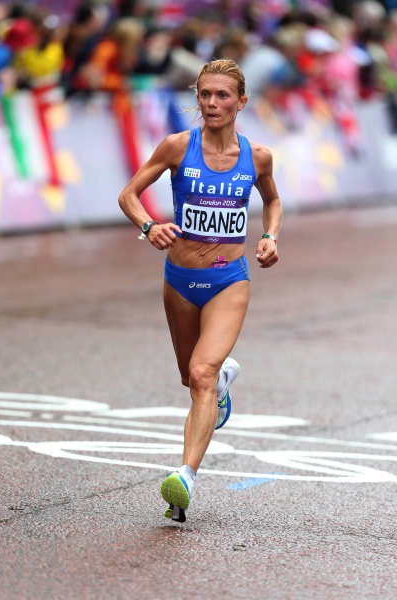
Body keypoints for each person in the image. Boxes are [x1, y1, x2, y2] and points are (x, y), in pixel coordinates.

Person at [118, 58, 283, 523]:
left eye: (222, 95)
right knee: (189, 378)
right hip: (179, 281)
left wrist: (270, 235)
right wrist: (149, 226)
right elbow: (128, 195)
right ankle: (223, 380)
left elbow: (272, 200)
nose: (212, 103)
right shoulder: (177, 146)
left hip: (229, 281)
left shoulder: (258, 157)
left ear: (241, 102)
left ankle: (185, 476)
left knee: (201, 373)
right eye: (205, 94)